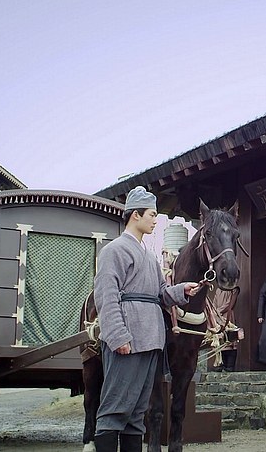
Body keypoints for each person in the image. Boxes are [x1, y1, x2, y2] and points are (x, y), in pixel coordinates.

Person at [92, 186, 199, 452]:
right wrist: (118, 336)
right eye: (152, 214)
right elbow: (106, 295)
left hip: (151, 341)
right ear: (135, 215)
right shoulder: (114, 251)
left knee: (137, 413)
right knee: (115, 408)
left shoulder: (149, 257)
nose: (155, 220)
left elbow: (160, 294)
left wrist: (181, 291)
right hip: (127, 340)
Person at [212, 286, 240, 371]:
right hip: (217, 318)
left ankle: (230, 365)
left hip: (227, 316)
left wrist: (218, 311)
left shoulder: (234, 289)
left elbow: (229, 304)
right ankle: (221, 364)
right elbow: (214, 302)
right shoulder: (218, 289)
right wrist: (214, 312)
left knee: (230, 339)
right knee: (219, 340)